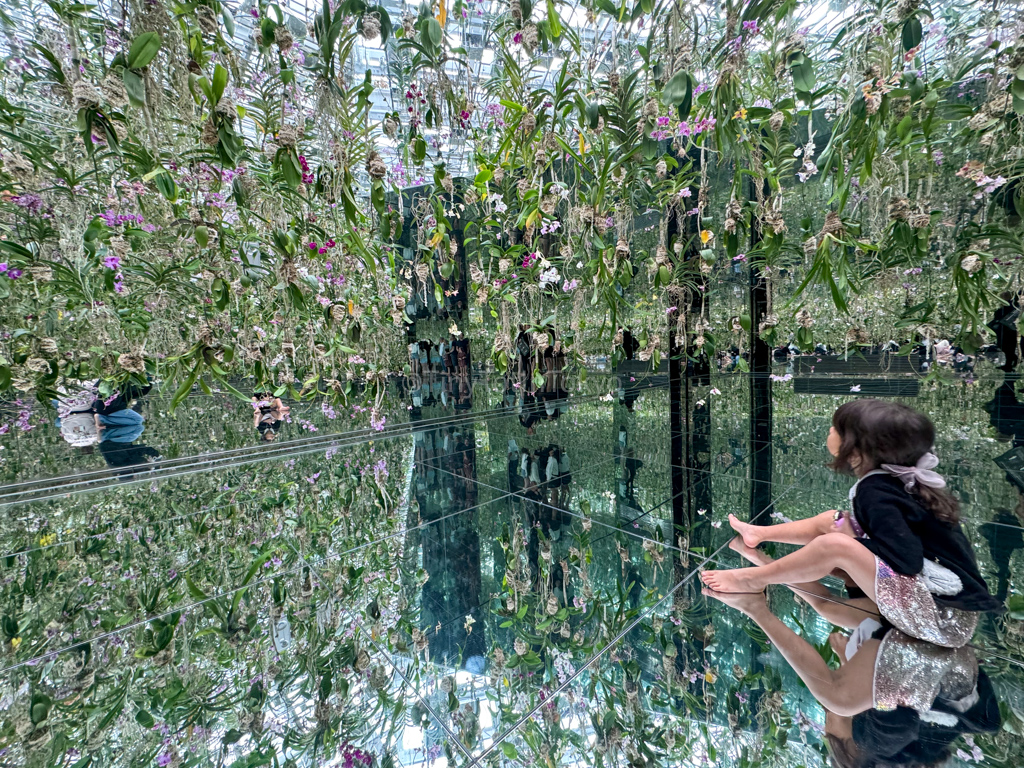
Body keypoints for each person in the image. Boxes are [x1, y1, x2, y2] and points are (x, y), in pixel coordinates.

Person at [703, 398, 1000, 648]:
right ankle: (757, 534)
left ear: (856, 449)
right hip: (941, 603)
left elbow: (906, 559)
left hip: (939, 614)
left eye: (836, 429)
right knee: (835, 521)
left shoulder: (877, 492)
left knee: (834, 543)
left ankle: (752, 580)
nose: (830, 431)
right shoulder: (887, 480)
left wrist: (850, 550)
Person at [703, 588, 1000, 768]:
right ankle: (756, 607)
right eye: (830, 728)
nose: (825, 719)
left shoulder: (905, 738)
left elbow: (899, 696)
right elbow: (895, 706)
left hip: (938, 627)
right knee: (835, 695)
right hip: (934, 632)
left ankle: (765, 569)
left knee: (827, 607)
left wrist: (853, 661)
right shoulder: (875, 744)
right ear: (846, 747)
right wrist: (853, 668)